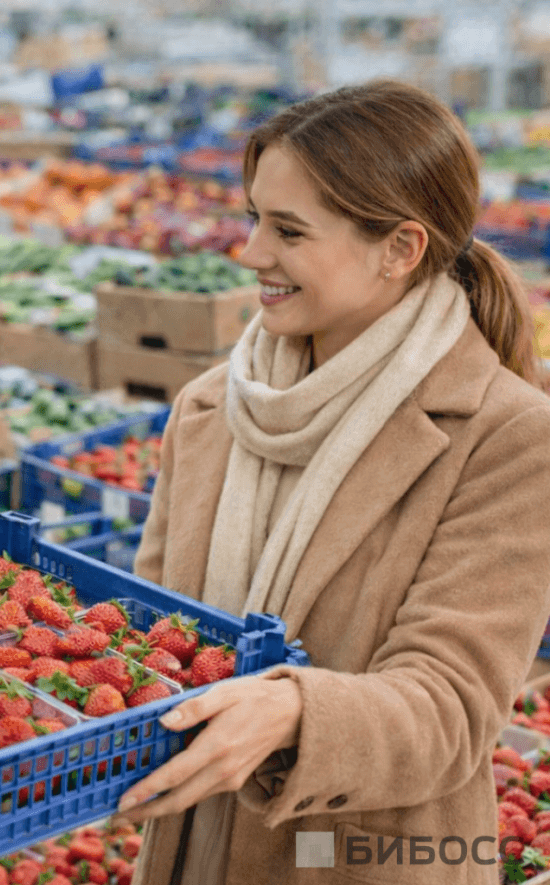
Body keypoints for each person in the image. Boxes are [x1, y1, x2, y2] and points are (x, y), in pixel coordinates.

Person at [114, 80, 550, 884]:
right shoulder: (211, 407)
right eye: (253, 217)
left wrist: (295, 711)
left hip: (358, 858)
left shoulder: (507, 436)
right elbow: (149, 639)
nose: (250, 254)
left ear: (401, 248)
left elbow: (451, 710)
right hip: (188, 852)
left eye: (287, 230)